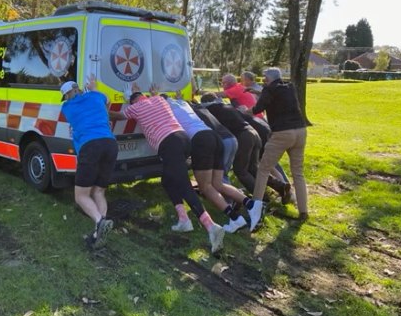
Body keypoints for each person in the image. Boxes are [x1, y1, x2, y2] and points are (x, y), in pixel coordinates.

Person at [109, 84, 225, 253]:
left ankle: (211, 226)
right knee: (168, 179)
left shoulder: (135, 107)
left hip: (169, 144)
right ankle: (183, 219)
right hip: (184, 139)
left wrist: (102, 111)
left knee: (183, 184)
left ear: (132, 100)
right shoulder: (158, 100)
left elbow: (119, 116)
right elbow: (154, 97)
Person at [163, 93, 259, 234]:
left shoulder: (166, 107)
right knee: (218, 184)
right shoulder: (182, 103)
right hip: (215, 136)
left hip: (200, 140)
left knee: (205, 187)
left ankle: (235, 219)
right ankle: (251, 204)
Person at [60, 76, 118, 249]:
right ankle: (98, 233)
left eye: (66, 95)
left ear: (68, 94)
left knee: (81, 196)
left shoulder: (66, 107)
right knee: (99, 191)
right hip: (110, 144)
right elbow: (106, 102)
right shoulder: (96, 96)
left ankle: (100, 222)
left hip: (90, 146)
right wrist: (93, 88)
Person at [251, 67, 309, 220]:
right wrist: (259, 91)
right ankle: (303, 211)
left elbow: (257, 109)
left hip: (282, 133)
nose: (263, 81)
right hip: (300, 131)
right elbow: (275, 95)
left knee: (263, 169)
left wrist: (245, 110)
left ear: (267, 79)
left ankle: (256, 208)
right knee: (298, 172)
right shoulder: (289, 87)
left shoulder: (269, 91)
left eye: (264, 78)